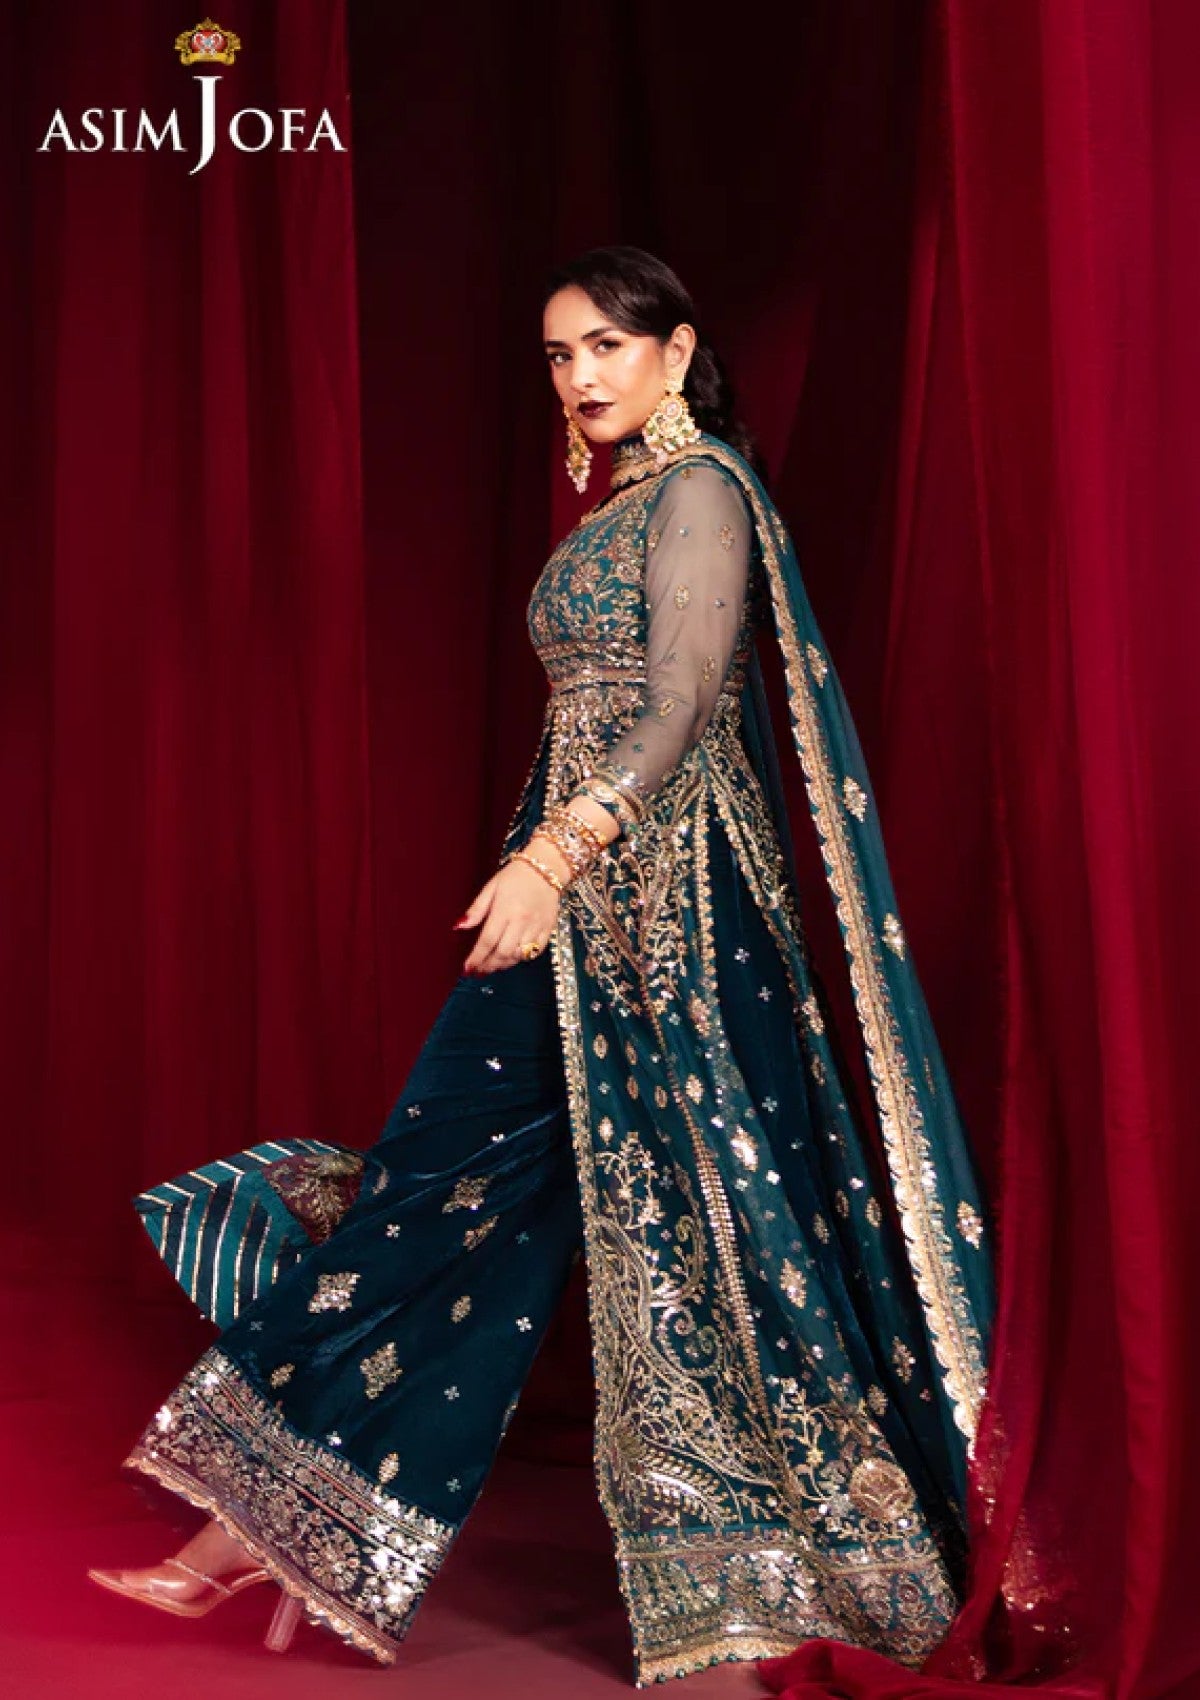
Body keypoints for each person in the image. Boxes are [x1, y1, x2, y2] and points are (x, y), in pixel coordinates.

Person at [88, 244, 996, 1688]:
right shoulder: (629, 502)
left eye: (605, 347)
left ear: (677, 352)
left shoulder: (703, 493)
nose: (578, 377)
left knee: (727, 1219)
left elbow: (683, 705)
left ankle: (808, 1567)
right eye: (560, 356)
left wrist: (554, 858)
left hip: (668, 917)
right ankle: (274, 1525)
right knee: (442, 1205)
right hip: (578, 912)